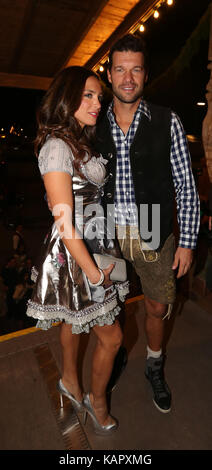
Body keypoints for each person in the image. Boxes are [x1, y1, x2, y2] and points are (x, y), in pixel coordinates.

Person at [94, 34, 200, 413]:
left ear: (145, 74)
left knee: (156, 307)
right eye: (120, 69)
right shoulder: (92, 122)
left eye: (135, 69)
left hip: (154, 228)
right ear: (109, 74)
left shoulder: (167, 121)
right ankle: (117, 351)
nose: (127, 78)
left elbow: (186, 187)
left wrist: (187, 242)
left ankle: (154, 363)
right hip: (106, 233)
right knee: (112, 306)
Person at [26, 66, 129, 435]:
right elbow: (65, 222)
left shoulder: (76, 141)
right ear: (66, 99)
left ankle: (70, 381)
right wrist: (93, 271)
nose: (98, 102)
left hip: (92, 241)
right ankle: (95, 399)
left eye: (99, 96)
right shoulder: (57, 147)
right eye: (88, 95)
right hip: (75, 252)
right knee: (112, 336)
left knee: (76, 319)